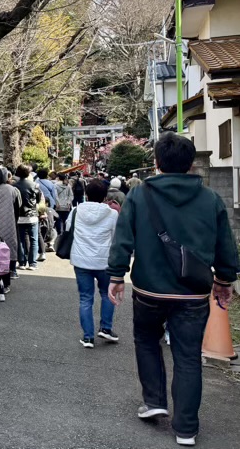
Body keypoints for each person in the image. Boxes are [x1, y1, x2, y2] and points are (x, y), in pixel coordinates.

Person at [108, 133, 239, 447]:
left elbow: (123, 237)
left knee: (146, 341)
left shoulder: (140, 196)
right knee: (188, 357)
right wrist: (223, 281)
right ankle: (186, 428)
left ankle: (154, 400)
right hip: (193, 293)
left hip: (149, 289)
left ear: (156, 162)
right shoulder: (210, 199)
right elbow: (225, 246)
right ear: (191, 164)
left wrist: (116, 276)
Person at [66, 179, 119, 349]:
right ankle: (106, 328)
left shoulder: (76, 211)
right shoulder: (112, 214)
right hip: (104, 260)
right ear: (105, 196)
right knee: (107, 294)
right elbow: (116, 236)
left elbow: (68, 230)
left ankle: (88, 337)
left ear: (86, 195)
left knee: (85, 298)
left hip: (81, 260)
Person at [14, 164, 42, 270]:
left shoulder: (14, 186)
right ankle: (32, 263)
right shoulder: (35, 185)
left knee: (21, 239)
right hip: (32, 215)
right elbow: (39, 200)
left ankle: (21, 262)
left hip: (19, 216)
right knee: (33, 239)